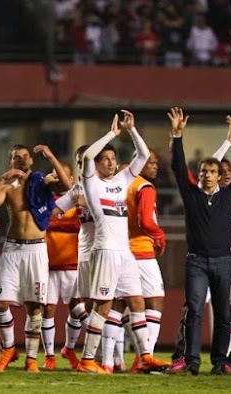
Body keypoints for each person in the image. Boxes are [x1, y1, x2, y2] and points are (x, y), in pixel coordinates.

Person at [75, 110, 169, 374]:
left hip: (125, 252)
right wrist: (110, 134)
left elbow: (141, 155)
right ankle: (86, 360)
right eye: (105, 158)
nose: (110, 162)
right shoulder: (91, 183)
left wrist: (131, 129)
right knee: (103, 306)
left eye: (113, 158)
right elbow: (87, 156)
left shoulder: (122, 180)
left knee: (137, 302)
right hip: (104, 251)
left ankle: (145, 357)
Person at [168, 107, 231, 375]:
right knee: (194, 309)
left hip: (223, 261)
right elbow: (177, 166)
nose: (206, 174)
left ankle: (220, 362)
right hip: (195, 262)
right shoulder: (191, 194)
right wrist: (177, 137)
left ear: (220, 176)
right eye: (203, 171)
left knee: (222, 313)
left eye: (211, 171)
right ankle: (192, 361)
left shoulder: (229, 196)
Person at [0, 143, 72, 373]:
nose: (21, 160)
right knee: (1, 303)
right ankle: (9, 349)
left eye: (25, 157)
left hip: (36, 249)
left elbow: (66, 186)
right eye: (16, 157)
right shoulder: (8, 186)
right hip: (13, 249)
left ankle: (31, 358)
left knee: (35, 306)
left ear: (31, 161)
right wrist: (2, 179)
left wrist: (51, 155)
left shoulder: (42, 181)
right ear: (10, 162)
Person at [124, 147, 167, 372]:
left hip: (121, 250)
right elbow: (145, 220)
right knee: (155, 300)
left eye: (156, 162)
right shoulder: (144, 186)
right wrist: (159, 235)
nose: (155, 166)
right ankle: (145, 357)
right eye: (150, 162)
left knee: (117, 307)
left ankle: (110, 360)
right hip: (141, 251)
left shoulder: (122, 184)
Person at [53, 145, 92, 370]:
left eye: (84, 160)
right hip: (85, 255)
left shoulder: (111, 186)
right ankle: (106, 354)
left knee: (98, 305)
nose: (81, 164)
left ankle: (113, 356)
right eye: (79, 160)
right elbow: (50, 214)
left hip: (108, 253)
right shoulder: (78, 190)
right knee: (78, 305)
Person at [40, 163, 80, 370]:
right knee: (48, 310)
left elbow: (79, 225)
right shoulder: (44, 200)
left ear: (71, 180)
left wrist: (52, 222)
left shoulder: (78, 201)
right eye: (54, 175)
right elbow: (40, 222)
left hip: (73, 264)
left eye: (62, 175)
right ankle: (49, 356)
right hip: (48, 265)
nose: (58, 178)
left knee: (78, 311)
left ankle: (69, 348)